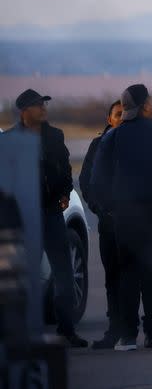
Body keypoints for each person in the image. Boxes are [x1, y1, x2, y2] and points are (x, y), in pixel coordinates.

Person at [90, 84, 152, 351]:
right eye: (150, 102)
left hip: (125, 218)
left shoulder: (111, 138)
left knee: (128, 276)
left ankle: (128, 337)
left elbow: (97, 181)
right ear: (145, 106)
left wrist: (112, 209)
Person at [8, 89, 88, 347]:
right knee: (25, 276)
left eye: (44, 104)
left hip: (52, 214)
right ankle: (24, 332)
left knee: (63, 274)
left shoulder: (55, 136)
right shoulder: (9, 141)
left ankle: (67, 330)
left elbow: (65, 168)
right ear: (24, 112)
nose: (43, 108)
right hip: (23, 218)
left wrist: (65, 193)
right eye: (38, 105)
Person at [80, 101, 152, 349]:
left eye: (126, 114)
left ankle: (151, 331)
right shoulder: (98, 145)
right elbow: (86, 181)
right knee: (114, 279)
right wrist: (101, 210)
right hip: (110, 224)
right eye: (117, 114)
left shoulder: (144, 143)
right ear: (109, 119)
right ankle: (119, 330)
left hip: (142, 225)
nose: (122, 118)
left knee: (148, 276)